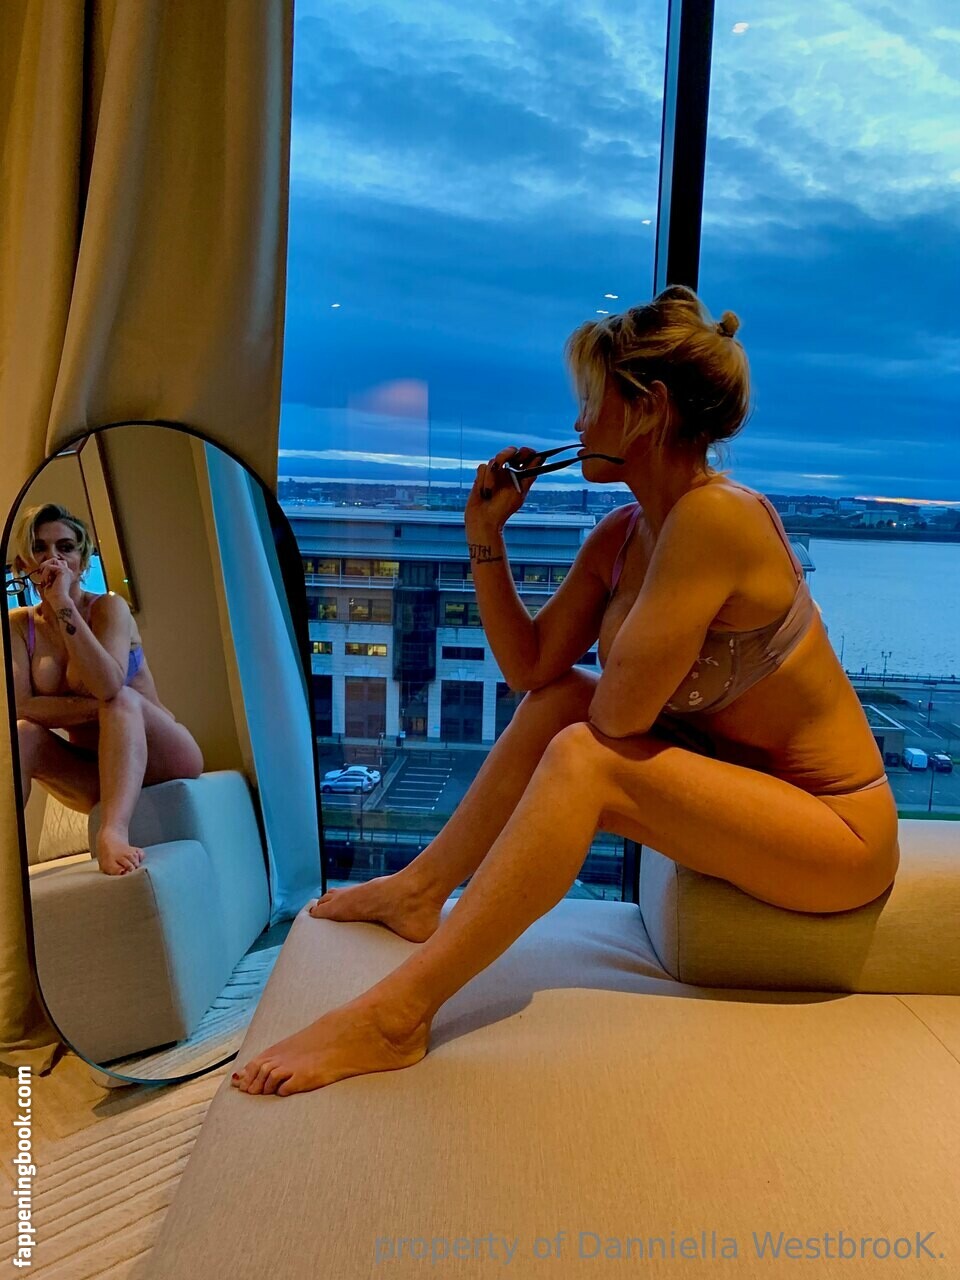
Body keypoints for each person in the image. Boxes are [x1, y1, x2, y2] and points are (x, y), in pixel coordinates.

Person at [232, 284, 899, 1098]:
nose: (577, 424)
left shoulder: (717, 519)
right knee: (557, 704)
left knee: (587, 755)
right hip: (754, 795)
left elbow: (617, 718)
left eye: (590, 401)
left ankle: (396, 1016)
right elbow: (532, 670)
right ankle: (420, 890)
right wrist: (485, 536)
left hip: (837, 832)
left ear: (648, 410)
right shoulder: (623, 534)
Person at [10, 503, 204, 876]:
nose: (53, 558)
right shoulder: (19, 626)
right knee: (21, 735)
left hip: (162, 754)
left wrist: (62, 603)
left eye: (65, 547)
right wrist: (94, 707)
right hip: (95, 769)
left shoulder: (109, 608)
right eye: (39, 548)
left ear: (82, 561)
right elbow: (20, 707)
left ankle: (113, 832)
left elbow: (108, 685)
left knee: (121, 700)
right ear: (23, 563)